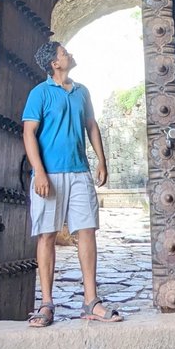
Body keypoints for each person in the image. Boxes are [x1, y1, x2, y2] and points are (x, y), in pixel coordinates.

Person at [22, 40, 123, 327]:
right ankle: (46, 304)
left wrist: (101, 160)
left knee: (87, 231)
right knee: (47, 235)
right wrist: (39, 172)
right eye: (65, 53)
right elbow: (29, 133)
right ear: (55, 63)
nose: (70, 55)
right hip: (49, 175)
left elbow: (91, 125)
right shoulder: (39, 93)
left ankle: (91, 301)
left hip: (79, 172)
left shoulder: (82, 92)